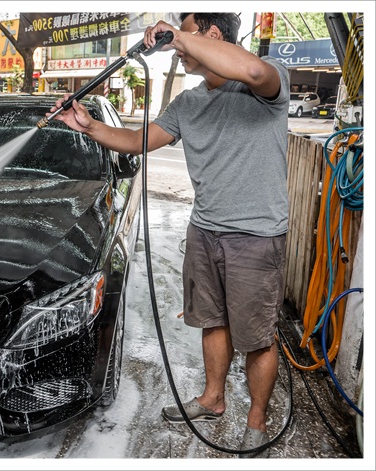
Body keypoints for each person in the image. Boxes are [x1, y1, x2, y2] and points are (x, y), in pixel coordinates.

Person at [48, 13, 290, 458]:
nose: (176, 49)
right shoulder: (188, 104)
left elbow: (254, 70)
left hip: (255, 237)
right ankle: (213, 398)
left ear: (212, 36)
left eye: (186, 36)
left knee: (257, 336)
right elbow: (140, 139)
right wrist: (89, 126)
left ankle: (257, 419)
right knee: (210, 319)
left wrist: (177, 35)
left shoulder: (265, 86)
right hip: (204, 229)